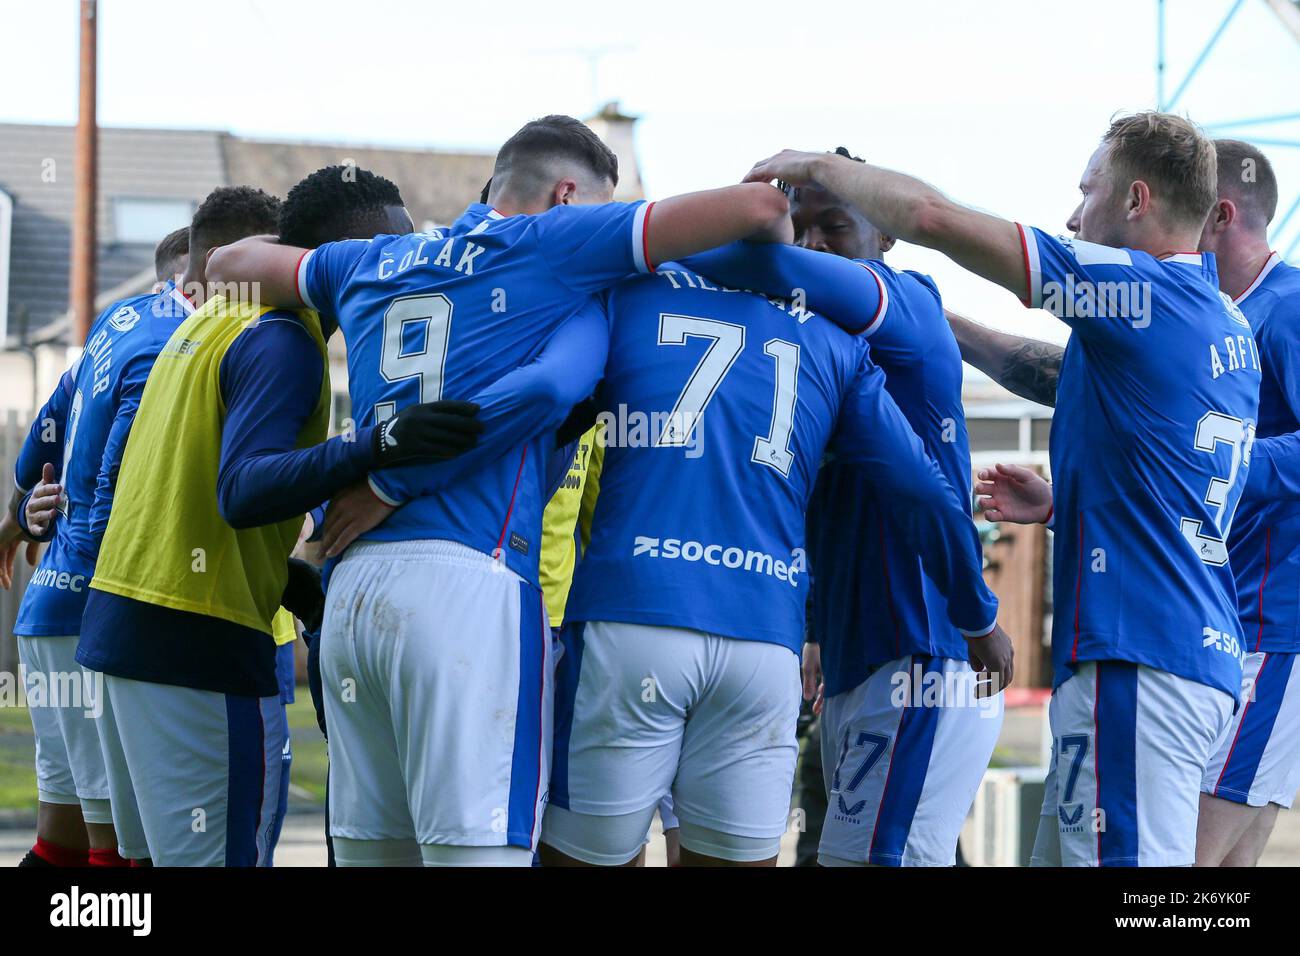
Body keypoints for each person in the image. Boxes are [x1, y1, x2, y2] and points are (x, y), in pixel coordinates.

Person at [205, 114, 794, 867]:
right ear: (565, 195)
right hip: (470, 588)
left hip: (353, 595)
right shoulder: (554, 243)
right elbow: (759, 209)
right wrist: (392, 475)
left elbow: (226, 263)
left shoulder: (374, 259)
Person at [748, 112, 1259, 867]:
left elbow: (932, 218)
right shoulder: (1216, 324)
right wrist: (1066, 505)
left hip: (1141, 662)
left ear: (1136, 201)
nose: (1072, 213)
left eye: (1088, 191)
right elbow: (1061, 387)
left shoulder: (1141, 292)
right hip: (1179, 651)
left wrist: (818, 163)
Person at [540, 238, 1011, 867]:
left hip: (633, 618)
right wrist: (975, 611)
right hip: (762, 645)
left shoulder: (627, 292)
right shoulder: (835, 338)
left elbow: (543, 403)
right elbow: (925, 490)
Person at [66, 166, 482, 866]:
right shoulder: (287, 336)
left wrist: (285, 575)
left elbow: (185, 483)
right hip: (199, 638)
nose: (407, 271)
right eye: (391, 254)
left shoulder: (220, 315)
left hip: (125, 623)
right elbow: (242, 490)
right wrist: (371, 445)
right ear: (336, 261)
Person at [673, 147, 1006, 866]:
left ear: (885, 236)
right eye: (802, 226)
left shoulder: (904, 300)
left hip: (924, 646)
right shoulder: (801, 346)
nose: (816, 242)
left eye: (835, 226)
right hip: (859, 658)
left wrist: (631, 238)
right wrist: (818, 627)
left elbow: (774, 267)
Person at [1, 193, 274, 868]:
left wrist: (18, 516)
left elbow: (39, 439)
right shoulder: (169, 347)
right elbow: (123, 495)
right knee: (120, 854)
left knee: (61, 840)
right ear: (199, 280)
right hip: (97, 614)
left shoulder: (118, 320)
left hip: (50, 613)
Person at [1196, 141, 1300, 866]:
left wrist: (1218, 460)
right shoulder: (1221, 317)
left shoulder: (1287, 307)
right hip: (1235, 621)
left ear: (1220, 215)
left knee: (1175, 870)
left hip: (1270, 624)